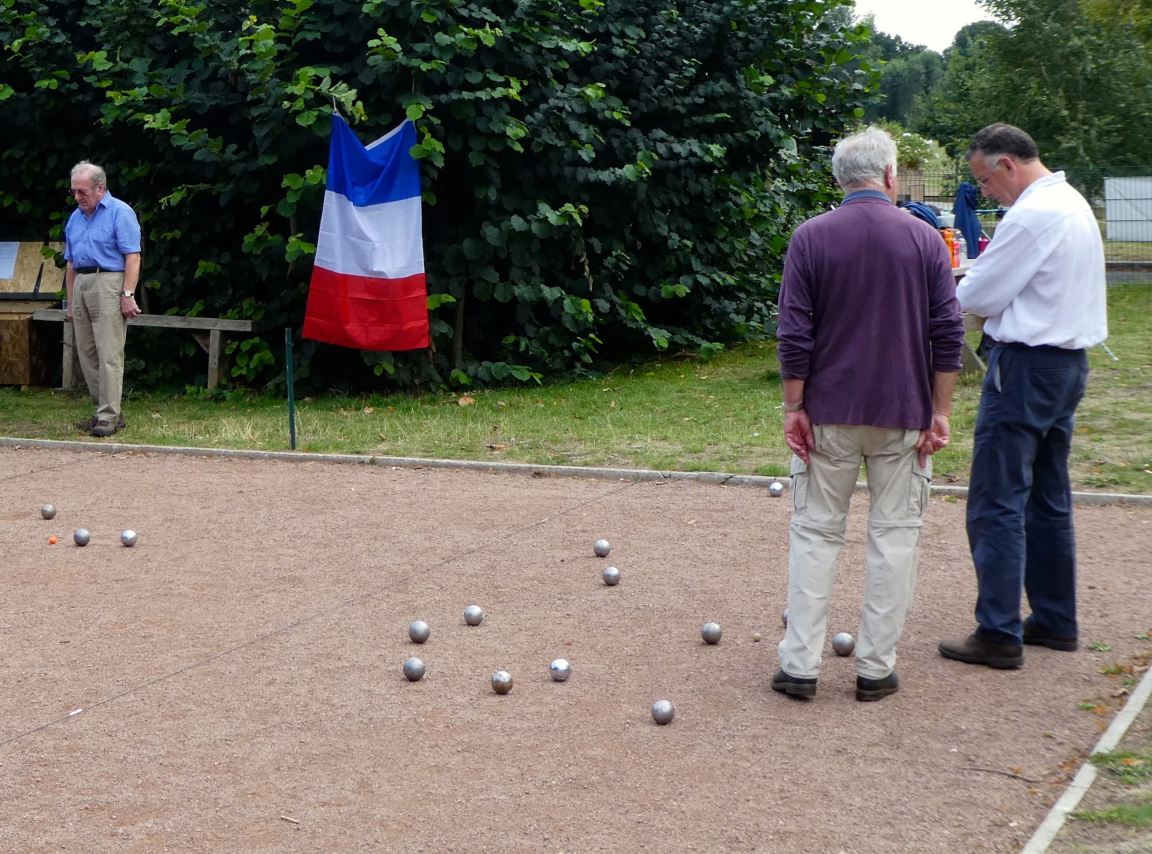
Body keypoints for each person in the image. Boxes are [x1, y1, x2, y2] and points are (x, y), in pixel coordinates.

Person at [773, 126, 964, 702]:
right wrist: (940, 410)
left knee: (814, 534)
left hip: (828, 411)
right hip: (903, 412)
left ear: (839, 178)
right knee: (895, 538)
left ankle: (799, 666)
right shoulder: (925, 240)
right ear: (889, 176)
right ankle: (875, 668)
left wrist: (793, 406)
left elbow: (794, 334)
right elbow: (948, 332)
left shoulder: (810, 238)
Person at [939, 124, 1107, 669]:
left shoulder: (1032, 216)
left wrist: (958, 292)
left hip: (1027, 366)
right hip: (1066, 366)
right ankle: (1056, 619)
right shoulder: (1071, 202)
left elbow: (979, 293)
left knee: (996, 499)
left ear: (1007, 164)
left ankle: (998, 631)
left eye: (985, 180)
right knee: (1047, 496)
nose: (984, 192)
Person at [64, 161, 142, 438]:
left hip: (109, 280)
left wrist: (127, 294)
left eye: (82, 192)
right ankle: (102, 412)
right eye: (74, 191)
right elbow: (71, 263)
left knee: (109, 352)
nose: (77, 197)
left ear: (100, 188)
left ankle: (109, 415)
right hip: (82, 281)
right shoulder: (75, 217)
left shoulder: (120, 212)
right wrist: (71, 300)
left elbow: (132, 256)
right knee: (87, 353)